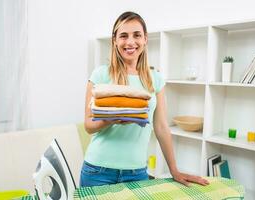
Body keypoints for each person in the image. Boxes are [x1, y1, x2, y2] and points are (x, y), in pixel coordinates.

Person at [80, 11, 209, 187]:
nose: (130, 42)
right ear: (114, 41)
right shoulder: (101, 74)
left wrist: (174, 170)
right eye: (123, 36)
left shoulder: (155, 79)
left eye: (137, 35)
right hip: (98, 171)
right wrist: (114, 119)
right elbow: (88, 126)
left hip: (137, 173)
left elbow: (162, 128)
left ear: (145, 39)